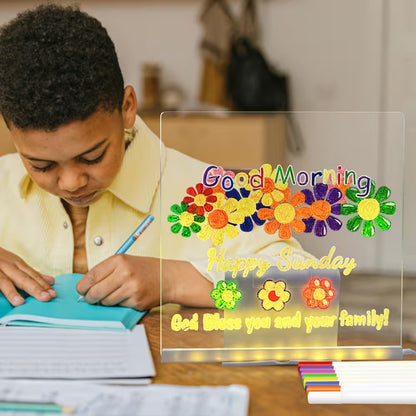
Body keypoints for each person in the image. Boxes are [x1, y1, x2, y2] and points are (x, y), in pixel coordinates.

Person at [0, 4, 309, 311]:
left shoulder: (208, 193)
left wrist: (173, 280)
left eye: (92, 156)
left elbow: (309, 289)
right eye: (41, 165)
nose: (71, 182)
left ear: (127, 108)